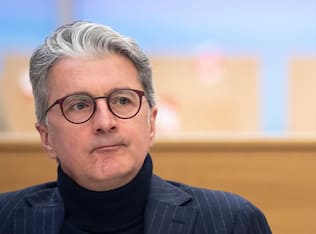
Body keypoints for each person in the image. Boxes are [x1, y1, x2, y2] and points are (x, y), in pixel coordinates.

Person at [0, 21, 271, 234]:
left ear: (151, 122)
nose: (105, 123)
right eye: (79, 105)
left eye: (122, 100)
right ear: (46, 137)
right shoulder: (7, 220)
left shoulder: (230, 223)